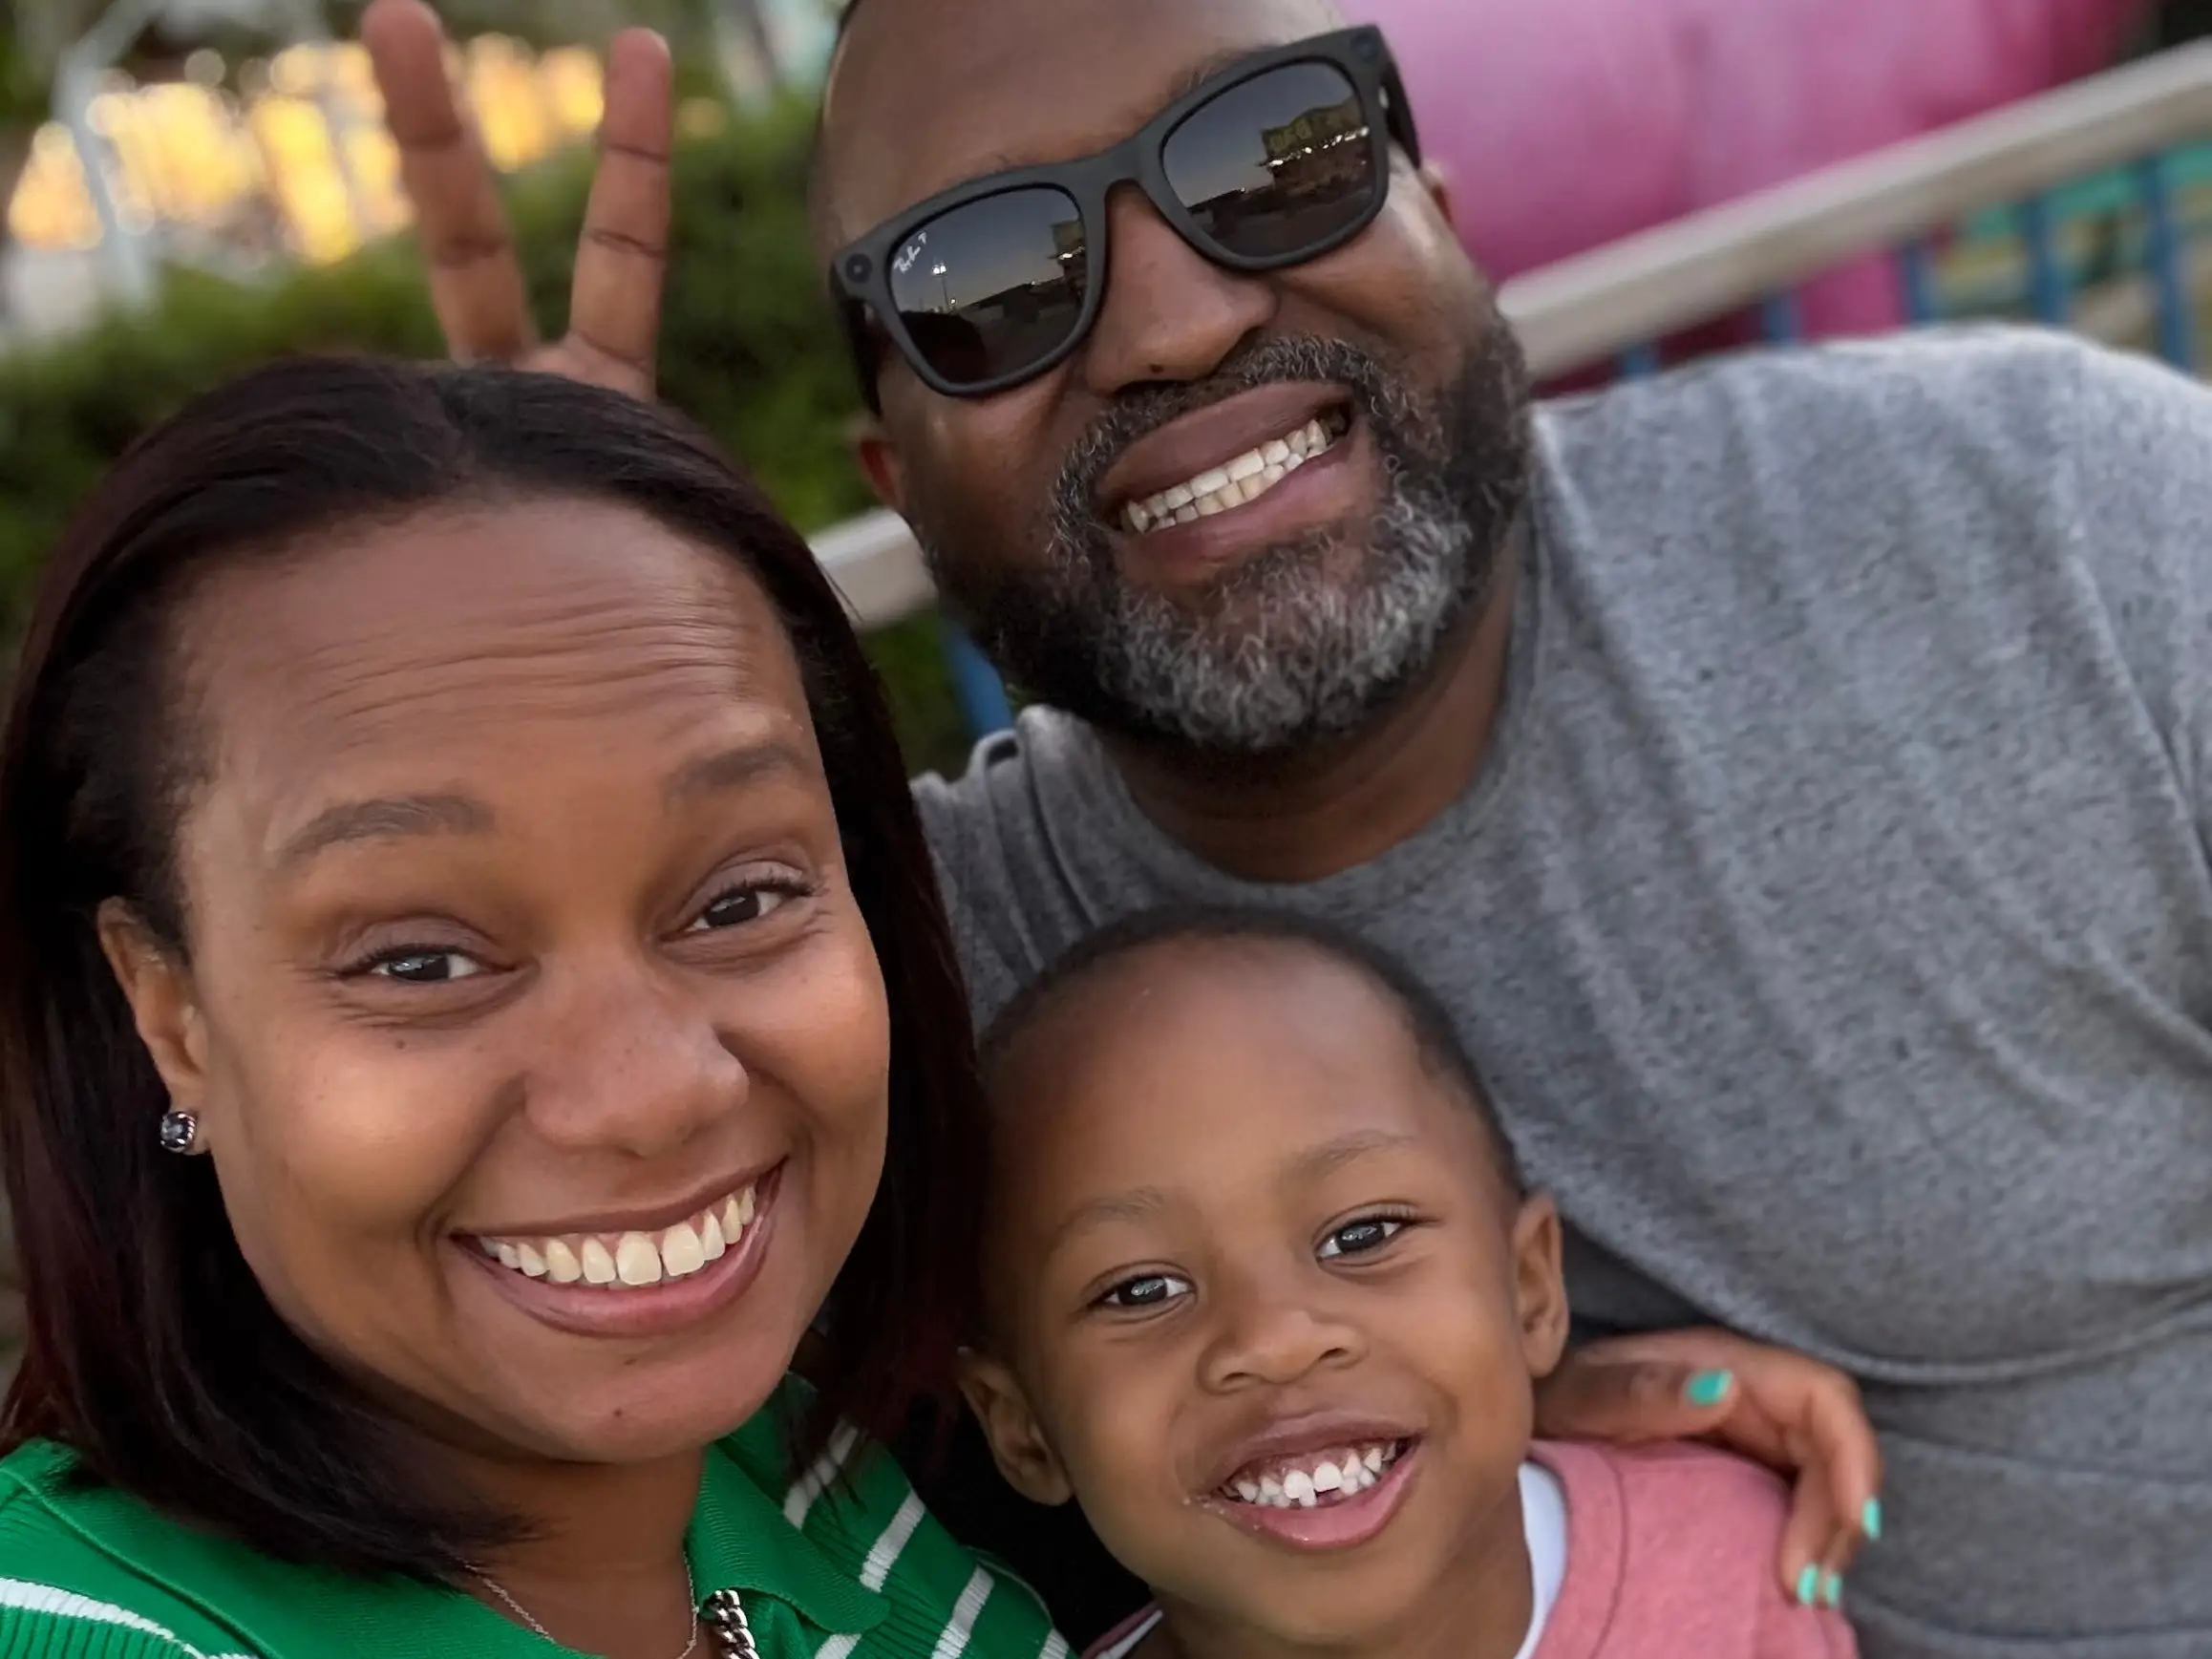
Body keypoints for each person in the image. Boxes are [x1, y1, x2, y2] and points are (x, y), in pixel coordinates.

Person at [363, 0, 2212, 1650]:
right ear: (895, 481)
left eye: (1275, 157)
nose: (1177, 318)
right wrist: (563, 677)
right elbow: (348, 1322)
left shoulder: (2038, 524)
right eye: (989, 284)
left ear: (1447, 221)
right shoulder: (908, 1000)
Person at [0, 356, 1064, 1659]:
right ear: (171, 1016)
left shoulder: (833, 1498)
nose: (650, 1091)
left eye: (738, 901)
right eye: (423, 962)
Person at [963, 906, 1861, 1659]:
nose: (1275, 1336)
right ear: (1023, 1431)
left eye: (1363, 1235)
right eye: (1140, 1290)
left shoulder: (1726, 1559)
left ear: (1531, 1289)